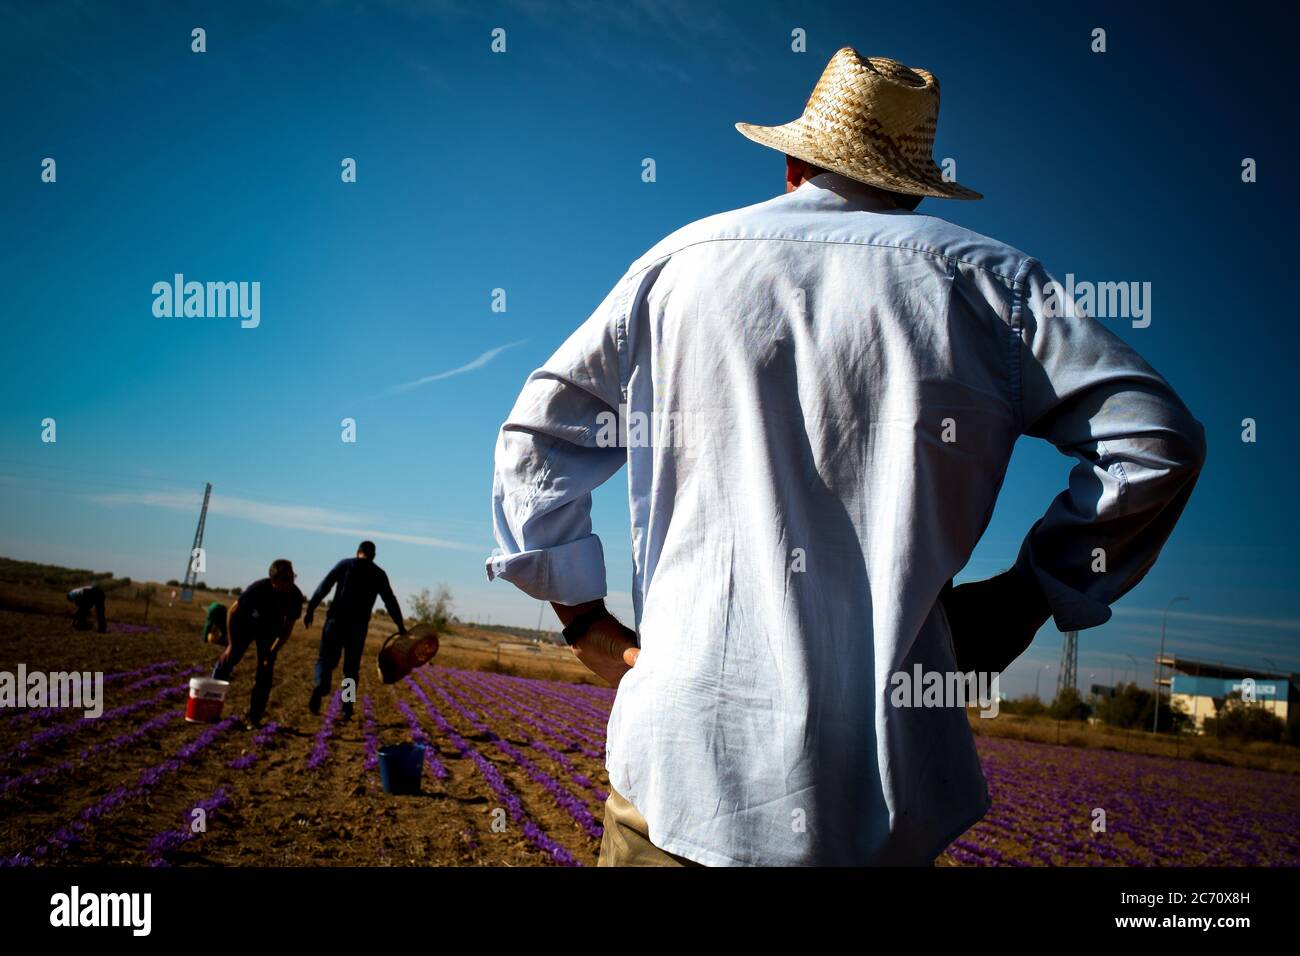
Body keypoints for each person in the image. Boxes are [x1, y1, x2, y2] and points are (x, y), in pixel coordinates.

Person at [486, 47, 1206, 866]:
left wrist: (581, 614)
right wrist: (1031, 592)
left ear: (794, 159)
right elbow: (1157, 444)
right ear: (913, 185)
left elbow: (533, 439)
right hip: (877, 807)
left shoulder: (677, 266)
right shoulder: (990, 284)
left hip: (678, 786)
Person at [304, 540, 406, 720]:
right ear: (373, 556)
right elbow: (390, 600)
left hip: (335, 622)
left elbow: (324, 586)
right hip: (357, 628)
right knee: (350, 669)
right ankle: (346, 707)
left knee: (326, 660)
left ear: (358, 552)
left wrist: (311, 608)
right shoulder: (378, 573)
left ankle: (320, 685)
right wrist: (400, 625)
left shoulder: (345, 564)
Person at [212, 559, 303, 727]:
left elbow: (286, 630)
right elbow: (232, 612)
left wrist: (273, 651)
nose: (290, 583)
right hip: (245, 624)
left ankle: (254, 716)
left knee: (265, 671)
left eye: (292, 578)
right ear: (273, 580)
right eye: (285, 579)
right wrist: (231, 644)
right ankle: (211, 708)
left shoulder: (295, 597)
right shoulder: (258, 589)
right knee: (227, 660)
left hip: (269, 631)